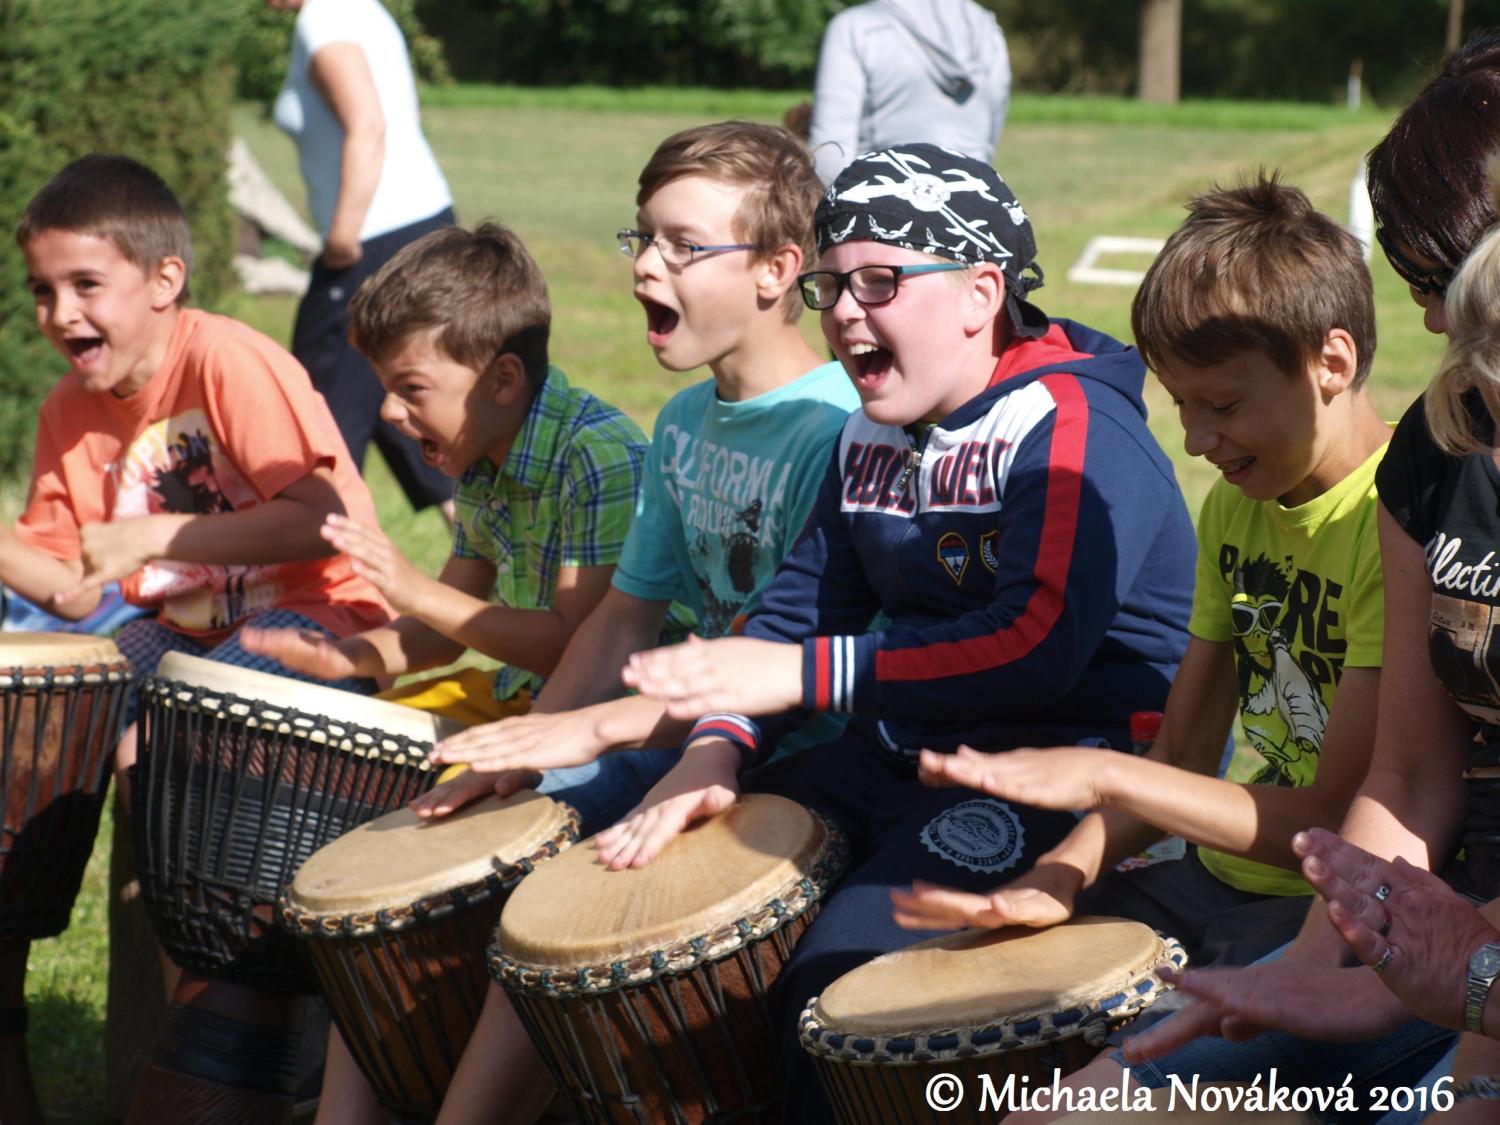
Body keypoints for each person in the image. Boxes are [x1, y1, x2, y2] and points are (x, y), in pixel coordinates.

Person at [617, 142, 1196, 1121]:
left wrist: (808, 675)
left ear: (981, 292)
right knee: (655, 905)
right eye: (832, 286)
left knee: (834, 984)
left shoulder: (1072, 424)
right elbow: (804, 607)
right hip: (899, 752)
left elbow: (1035, 646)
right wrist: (715, 749)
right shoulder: (871, 430)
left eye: (880, 282)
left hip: (1061, 774)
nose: (846, 311)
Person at [1008, 37, 1500, 1125]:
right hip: (1422, 933)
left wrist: (1454, 1006)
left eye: (1442, 283)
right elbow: (1408, 779)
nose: (1430, 323)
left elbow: (1332, 805)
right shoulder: (1438, 455)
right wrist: (1320, 968)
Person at [406, 121, 859, 1125]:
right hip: (679, 733)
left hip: (789, 761)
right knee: (478, 838)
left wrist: (619, 749)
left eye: (684, 245)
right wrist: (530, 750)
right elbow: (621, 618)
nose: (647, 265)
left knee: (556, 911)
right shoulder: (684, 423)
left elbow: (786, 665)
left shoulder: (832, 430)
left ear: (778, 270)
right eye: (643, 238)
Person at [888, 177, 1391, 980]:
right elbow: (1185, 749)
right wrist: (1063, 870)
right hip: (1217, 876)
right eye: (1182, 405)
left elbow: (1336, 815)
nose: (1195, 440)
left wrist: (1102, 771)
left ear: (1332, 361)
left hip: (1332, 908)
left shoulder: (1393, 522)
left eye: (1223, 404)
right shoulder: (1236, 508)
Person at [242, 218, 683, 1125]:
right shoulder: (484, 459)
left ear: (502, 379)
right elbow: (437, 638)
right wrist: (346, 659)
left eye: (410, 390)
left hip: (615, 715)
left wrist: (413, 589)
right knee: (365, 833)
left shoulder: (597, 457)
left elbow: (579, 646)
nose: (389, 414)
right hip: (522, 700)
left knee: (423, 843)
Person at [6, 153, 390, 701]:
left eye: (86, 284)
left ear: (165, 282)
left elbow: (322, 521)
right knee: (73, 714)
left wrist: (150, 537)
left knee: (174, 720)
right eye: (42, 291)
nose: (61, 312)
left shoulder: (225, 359)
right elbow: (76, 591)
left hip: (324, 614)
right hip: (185, 631)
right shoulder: (65, 411)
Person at [269, 0, 457, 519]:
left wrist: (341, 240)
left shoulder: (324, 18)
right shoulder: (360, 8)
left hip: (373, 242)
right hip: (420, 224)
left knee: (314, 424)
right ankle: (494, 557)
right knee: (398, 398)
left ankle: (322, 562)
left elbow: (369, 126)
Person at [807, 0, 1010, 185]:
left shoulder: (854, 28)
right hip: (973, 201)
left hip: (878, 204)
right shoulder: (988, 30)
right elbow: (990, 135)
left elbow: (831, 154)